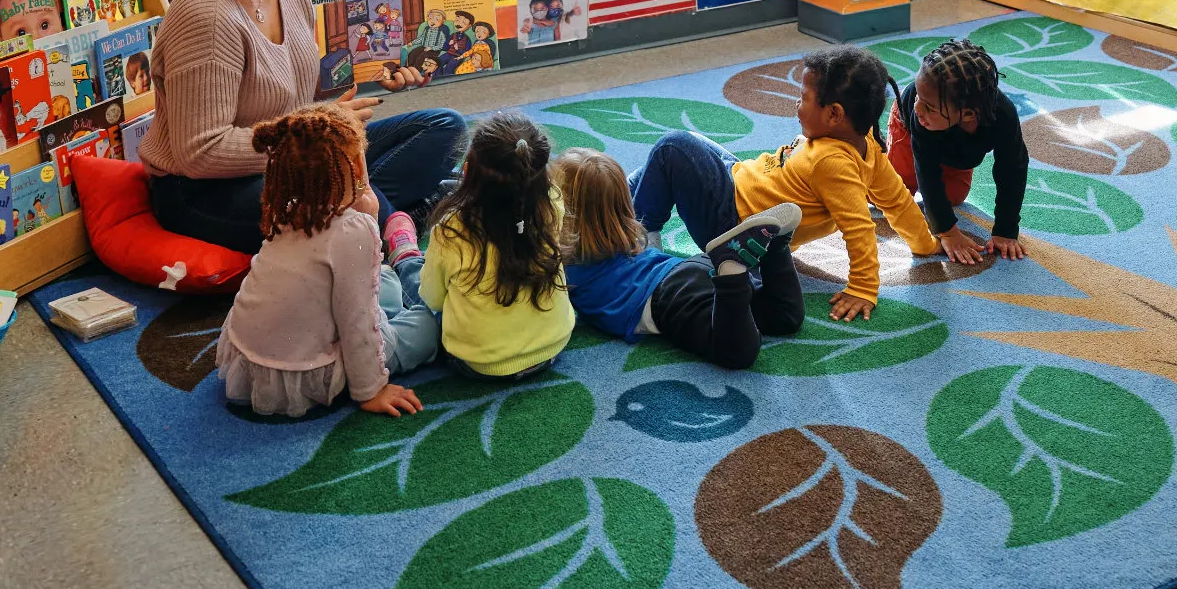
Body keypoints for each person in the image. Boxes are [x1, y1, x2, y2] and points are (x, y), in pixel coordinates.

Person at [138, 0, 465, 255]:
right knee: (340, 204)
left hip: (295, 152)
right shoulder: (207, 17)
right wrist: (316, 138)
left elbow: (295, 78)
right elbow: (202, 154)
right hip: (204, 190)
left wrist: (379, 71)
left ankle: (391, 213)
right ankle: (401, 223)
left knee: (446, 129)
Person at [632, 46, 940, 322]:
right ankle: (631, 192)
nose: (797, 103)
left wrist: (863, 288)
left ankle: (642, 242)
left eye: (804, 98)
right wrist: (924, 244)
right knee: (686, 149)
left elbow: (859, 229)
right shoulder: (867, 144)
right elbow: (897, 201)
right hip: (741, 180)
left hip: (732, 225)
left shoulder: (832, 164)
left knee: (672, 147)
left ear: (834, 114)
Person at [217, 104, 438, 419]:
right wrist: (371, 390)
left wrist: (368, 218)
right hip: (309, 369)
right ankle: (409, 279)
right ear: (360, 169)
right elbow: (356, 322)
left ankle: (399, 290)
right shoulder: (351, 232)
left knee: (383, 278)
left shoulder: (287, 209)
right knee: (427, 327)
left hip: (253, 358)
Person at [557, 149, 805, 368]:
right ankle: (776, 246)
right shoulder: (628, 236)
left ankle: (732, 269)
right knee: (783, 317)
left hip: (670, 298)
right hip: (690, 269)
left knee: (737, 353)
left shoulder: (564, 264)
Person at [420, 113, 574, 379]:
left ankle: (404, 251)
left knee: (413, 281)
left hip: (479, 363)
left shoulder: (451, 230)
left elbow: (432, 299)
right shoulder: (553, 203)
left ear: (466, 173)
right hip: (553, 345)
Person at [887, 38, 1029, 265]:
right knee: (893, 192)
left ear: (969, 114)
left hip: (956, 148)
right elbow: (926, 170)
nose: (918, 107)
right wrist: (947, 231)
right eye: (918, 99)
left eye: (929, 106)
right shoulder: (918, 114)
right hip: (911, 131)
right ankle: (872, 151)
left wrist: (1005, 230)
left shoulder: (1004, 116)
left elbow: (1012, 170)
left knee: (953, 197)